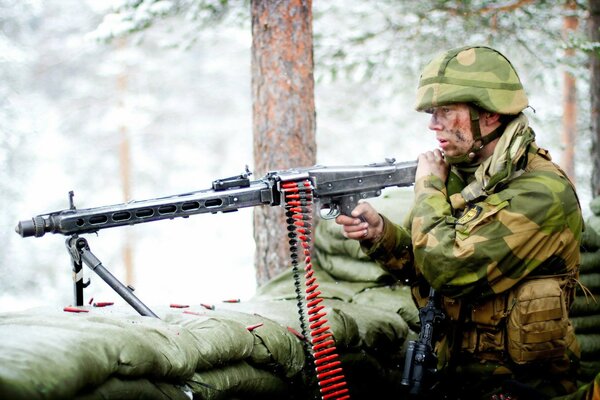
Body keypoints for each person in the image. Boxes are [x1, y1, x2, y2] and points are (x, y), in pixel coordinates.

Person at [335, 45, 583, 399]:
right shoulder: (463, 175)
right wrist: (381, 235)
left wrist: (429, 186)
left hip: (524, 390)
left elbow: (449, 267)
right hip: (458, 381)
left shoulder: (542, 193)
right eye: (432, 112)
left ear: (491, 115)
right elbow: (425, 265)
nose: (432, 124)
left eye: (445, 111)